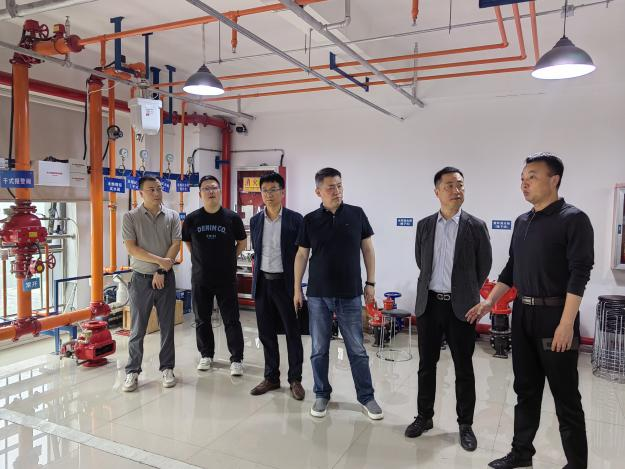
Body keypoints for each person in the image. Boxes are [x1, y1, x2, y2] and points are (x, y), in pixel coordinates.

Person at [467, 153, 594, 469]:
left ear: (554, 180)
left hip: (556, 317)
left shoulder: (574, 219)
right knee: (525, 389)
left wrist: (566, 323)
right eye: (522, 178)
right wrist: (488, 302)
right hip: (523, 314)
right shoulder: (523, 222)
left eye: (532, 177)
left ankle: (577, 464)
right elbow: (511, 268)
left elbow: (580, 273)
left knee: (565, 395)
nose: (524, 183)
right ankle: (521, 452)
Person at [405, 167, 492, 451]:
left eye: (460, 185)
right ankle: (424, 417)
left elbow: (484, 265)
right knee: (426, 365)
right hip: (429, 304)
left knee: (464, 367)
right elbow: (421, 262)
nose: (457, 190)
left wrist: (468, 290)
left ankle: (465, 425)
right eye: (450, 185)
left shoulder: (476, 226)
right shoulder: (424, 226)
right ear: (437, 192)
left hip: (462, 308)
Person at [294, 167, 383, 420]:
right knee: (319, 348)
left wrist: (371, 283)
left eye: (340, 185)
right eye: (331, 187)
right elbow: (302, 255)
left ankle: (366, 397)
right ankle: (322, 393)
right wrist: (296, 288)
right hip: (318, 295)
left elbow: (368, 249)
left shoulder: (356, 214)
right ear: (318, 191)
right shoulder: (310, 220)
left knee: (357, 348)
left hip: (350, 293)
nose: (337, 191)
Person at [182, 175, 247, 376]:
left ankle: (236, 359)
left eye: (214, 187)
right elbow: (188, 243)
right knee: (202, 318)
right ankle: (206, 355)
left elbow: (242, 242)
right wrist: (201, 259)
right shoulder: (192, 219)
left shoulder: (232, 218)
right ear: (200, 193)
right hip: (201, 278)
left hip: (226, 277)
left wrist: (230, 258)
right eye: (206, 188)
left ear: (219, 191)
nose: (210, 191)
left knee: (231, 319)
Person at [121, 176, 181, 392]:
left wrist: (162, 270)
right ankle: (132, 371)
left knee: (167, 327)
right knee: (137, 329)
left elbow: (176, 244)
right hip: (140, 280)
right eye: (151, 190)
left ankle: (167, 368)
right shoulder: (130, 217)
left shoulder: (172, 216)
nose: (156, 193)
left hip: (166, 279)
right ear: (141, 193)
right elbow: (132, 249)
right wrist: (160, 262)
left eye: (158, 189)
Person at [249, 172, 305, 400]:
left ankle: (295, 379)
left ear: (282, 192)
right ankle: (271, 377)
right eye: (265, 190)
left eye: (273, 190)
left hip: (286, 284)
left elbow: (302, 255)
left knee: (293, 333)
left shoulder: (295, 220)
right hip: (263, 284)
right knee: (266, 333)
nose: (269, 194)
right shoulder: (255, 221)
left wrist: (298, 288)